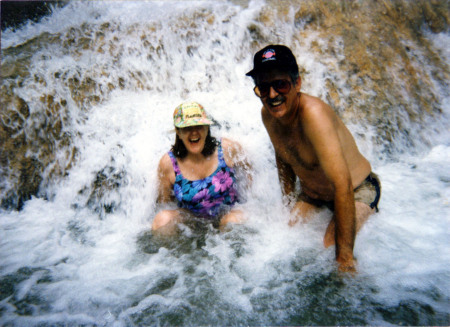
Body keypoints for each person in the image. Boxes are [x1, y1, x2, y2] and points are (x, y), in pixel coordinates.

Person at [246, 45, 381, 272]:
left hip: (356, 189)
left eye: (280, 84)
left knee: (330, 246)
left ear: (297, 84)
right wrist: (287, 204)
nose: (272, 95)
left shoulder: (314, 115)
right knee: (286, 232)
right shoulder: (268, 115)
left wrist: (345, 259)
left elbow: (343, 185)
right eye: (263, 87)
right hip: (314, 194)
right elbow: (283, 157)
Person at [152, 101, 250, 234]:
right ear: (178, 132)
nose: (194, 133)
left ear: (207, 128)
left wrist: (249, 202)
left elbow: (250, 172)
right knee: (162, 220)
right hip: (191, 222)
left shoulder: (228, 149)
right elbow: (165, 204)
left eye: (199, 126)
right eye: (187, 128)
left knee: (232, 220)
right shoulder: (168, 164)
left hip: (229, 214)